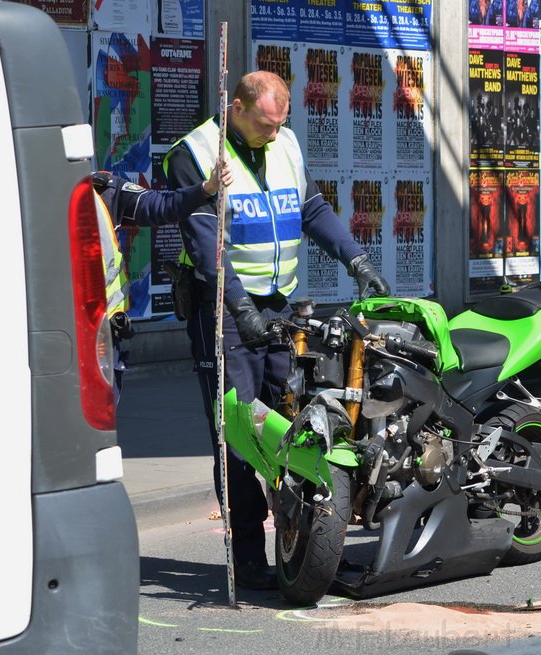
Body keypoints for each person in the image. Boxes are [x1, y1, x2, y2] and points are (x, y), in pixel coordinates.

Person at [163, 70, 391, 589]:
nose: (275, 132)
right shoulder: (196, 153)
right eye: (266, 123)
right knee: (240, 432)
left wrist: (357, 260)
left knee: (292, 423)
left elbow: (311, 209)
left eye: (280, 123)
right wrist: (239, 307)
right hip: (221, 307)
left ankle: (305, 550)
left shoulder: (284, 141)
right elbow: (205, 243)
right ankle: (247, 558)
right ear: (237, 108)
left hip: (280, 307)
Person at [92, 164, 232, 399]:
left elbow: (161, 206)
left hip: (102, 337)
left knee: (99, 424)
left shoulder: (102, 191)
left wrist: (206, 188)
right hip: (57, 335)